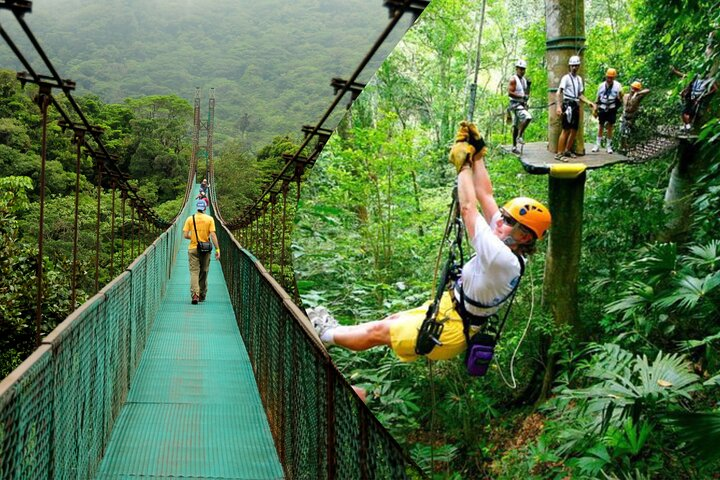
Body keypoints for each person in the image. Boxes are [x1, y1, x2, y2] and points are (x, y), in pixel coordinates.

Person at [308, 122, 551, 365]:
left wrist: (463, 166)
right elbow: (485, 194)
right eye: (504, 215)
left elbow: (468, 209)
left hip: (451, 329)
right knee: (392, 321)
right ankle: (330, 332)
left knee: (379, 332)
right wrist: (477, 155)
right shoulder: (508, 241)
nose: (499, 221)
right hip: (452, 309)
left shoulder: (502, 257)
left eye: (508, 221)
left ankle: (324, 335)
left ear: (524, 237)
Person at [555, 55, 596, 160]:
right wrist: (559, 107)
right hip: (568, 104)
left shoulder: (579, 79)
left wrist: (589, 102)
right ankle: (559, 153)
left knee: (574, 130)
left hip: (576, 105)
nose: (574, 68)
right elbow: (558, 92)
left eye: (576, 66)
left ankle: (567, 150)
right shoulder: (565, 78)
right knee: (566, 130)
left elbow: (579, 95)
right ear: (569, 66)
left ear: (578, 66)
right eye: (572, 66)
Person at [183, 200, 220, 304]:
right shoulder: (210, 219)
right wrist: (217, 249)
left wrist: (194, 237)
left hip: (193, 248)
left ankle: (195, 294)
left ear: (197, 207)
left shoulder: (190, 219)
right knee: (204, 271)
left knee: (194, 272)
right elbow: (212, 235)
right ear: (205, 208)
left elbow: (185, 235)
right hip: (205, 249)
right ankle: (202, 294)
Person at [592, 68, 623, 154]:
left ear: (614, 78)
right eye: (608, 77)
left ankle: (608, 146)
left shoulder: (618, 86)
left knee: (610, 126)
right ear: (606, 77)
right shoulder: (601, 86)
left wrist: (620, 97)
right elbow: (597, 98)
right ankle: (597, 145)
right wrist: (595, 109)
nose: (609, 79)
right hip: (603, 106)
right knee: (601, 125)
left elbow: (620, 98)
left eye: (611, 78)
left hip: (612, 107)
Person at [508, 59, 533, 154]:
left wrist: (529, 86)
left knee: (516, 126)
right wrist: (521, 97)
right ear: (516, 69)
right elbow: (510, 93)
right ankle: (519, 136)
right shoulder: (513, 79)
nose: (522, 71)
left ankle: (514, 147)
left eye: (523, 69)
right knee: (528, 117)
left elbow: (525, 93)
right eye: (520, 69)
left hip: (521, 104)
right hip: (515, 105)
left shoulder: (523, 80)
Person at [619, 81, 651, 149]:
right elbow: (619, 98)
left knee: (628, 133)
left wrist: (637, 93)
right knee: (622, 132)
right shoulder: (626, 96)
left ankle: (630, 145)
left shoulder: (638, 97)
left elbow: (648, 90)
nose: (633, 90)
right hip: (624, 115)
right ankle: (623, 146)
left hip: (632, 117)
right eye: (633, 88)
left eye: (635, 89)